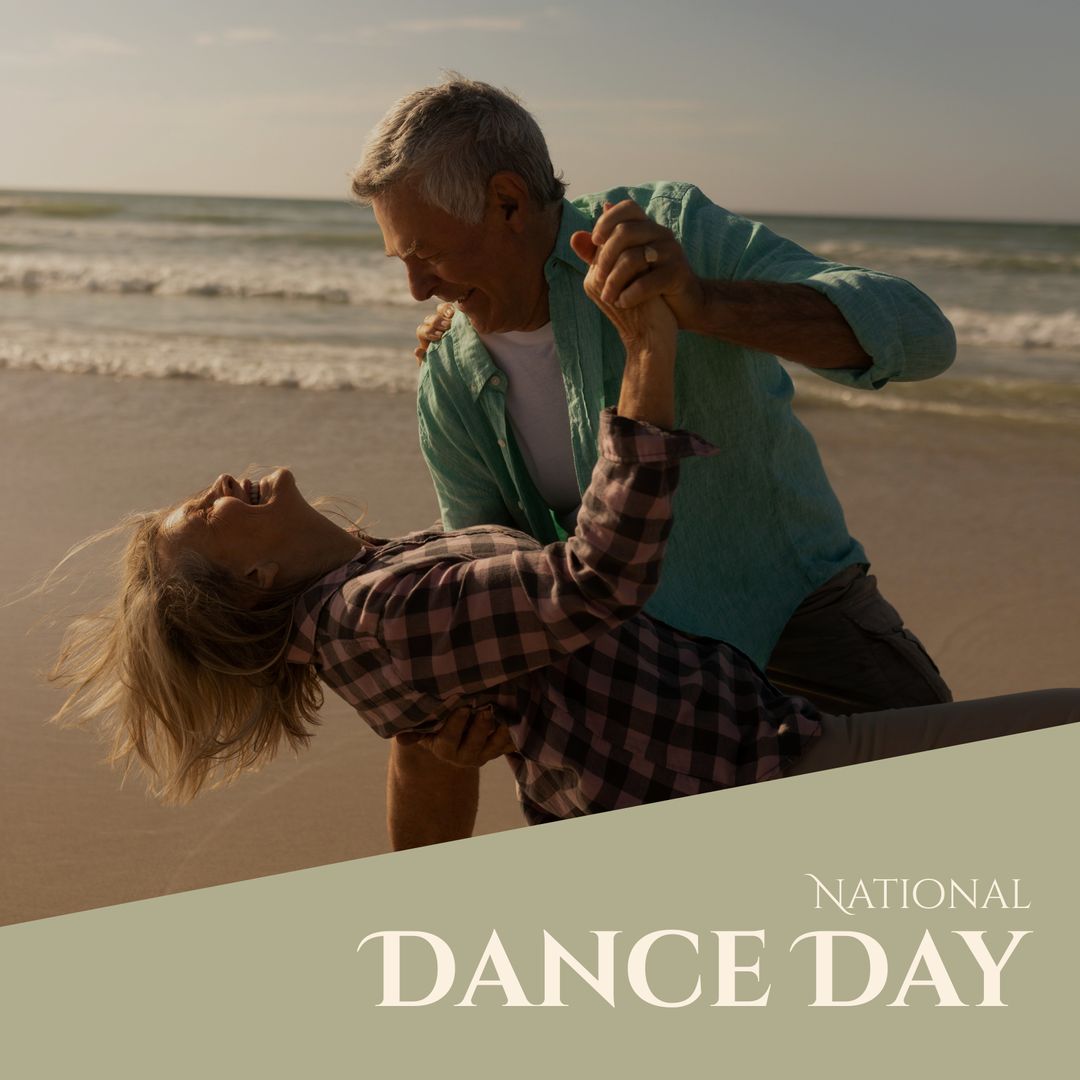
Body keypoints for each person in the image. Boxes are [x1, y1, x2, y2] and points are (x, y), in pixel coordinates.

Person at [48, 251, 1080, 821]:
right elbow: (592, 581)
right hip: (753, 769)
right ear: (255, 574)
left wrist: (481, 327)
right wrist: (645, 353)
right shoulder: (374, 616)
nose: (219, 485)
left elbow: (508, 572)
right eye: (205, 512)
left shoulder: (369, 590)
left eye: (427, 257)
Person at [350, 76, 958, 845]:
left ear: (507, 202)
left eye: (427, 253)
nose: (414, 289)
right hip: (641, 701)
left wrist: (703, 302)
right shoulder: (448, 377)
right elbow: (491, 569)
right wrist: (462, 723)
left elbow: (923, 336)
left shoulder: (669, 232)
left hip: (799, 626)